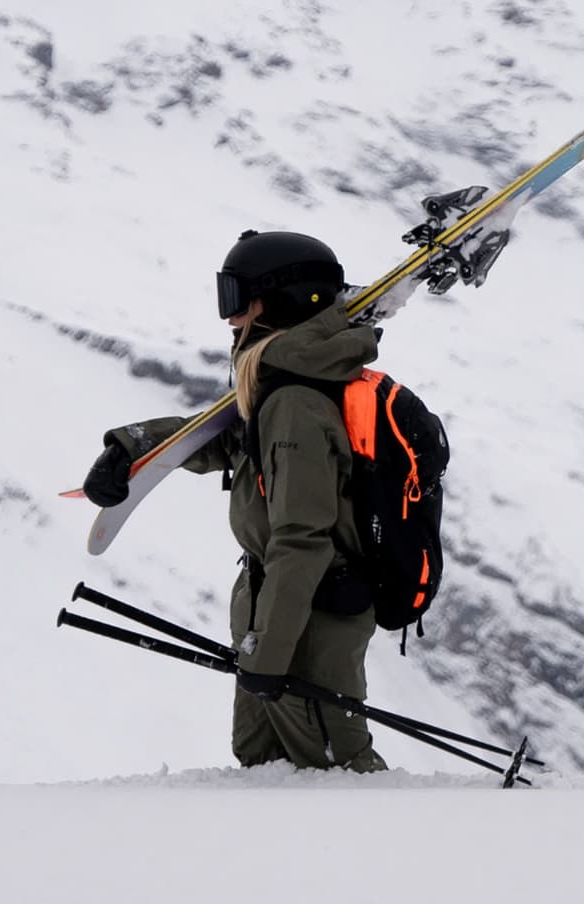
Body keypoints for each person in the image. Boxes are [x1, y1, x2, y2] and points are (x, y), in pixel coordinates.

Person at [83, 230, 385, 772]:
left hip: (308, 619)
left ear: (284, 301)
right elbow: (226, 439)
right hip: (272, 608)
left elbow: (303, 539)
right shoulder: (277, 389)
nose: (229, 317)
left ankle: (412, 854)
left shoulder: (295, 403)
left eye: (237, 298)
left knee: (335, 775)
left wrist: (269, 655)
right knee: (264, 764)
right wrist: (130, 448)